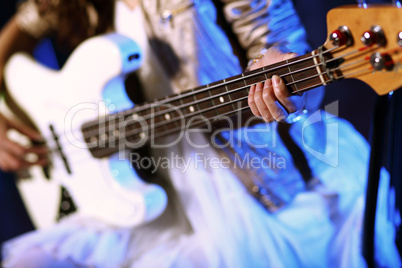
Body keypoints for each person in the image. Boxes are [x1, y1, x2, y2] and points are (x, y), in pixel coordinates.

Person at [0, 0, 400, 267]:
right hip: (150, 191)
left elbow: (276, 41)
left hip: (249, 189)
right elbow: (20, 29)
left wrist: (281, 75)